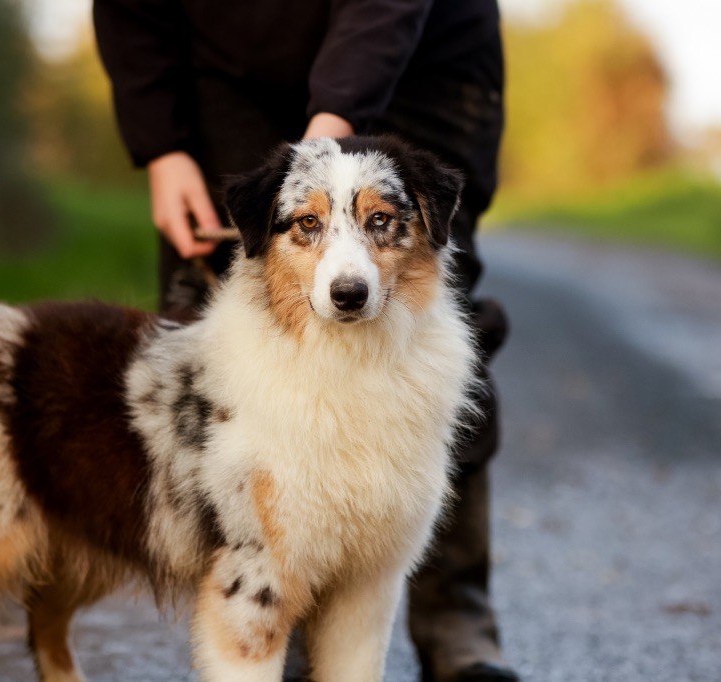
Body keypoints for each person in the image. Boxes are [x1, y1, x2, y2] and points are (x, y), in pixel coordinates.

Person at [93, 1, 517, 680]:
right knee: (213, 320)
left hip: (420, 57)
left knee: (426, 314)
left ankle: (453, 610)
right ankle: (270, 601)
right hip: (225, 59)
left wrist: (327, 146)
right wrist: (162, 146)